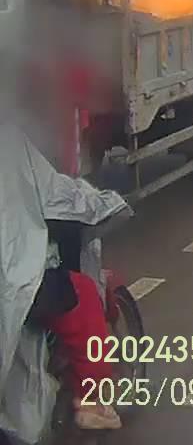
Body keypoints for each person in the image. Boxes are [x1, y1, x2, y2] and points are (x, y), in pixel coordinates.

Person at [1, 122, 123, 433]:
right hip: (12, 281)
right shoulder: (9, 139)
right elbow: (54, 193)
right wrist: (102, 202)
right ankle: (93, 404)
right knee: (82, 294)